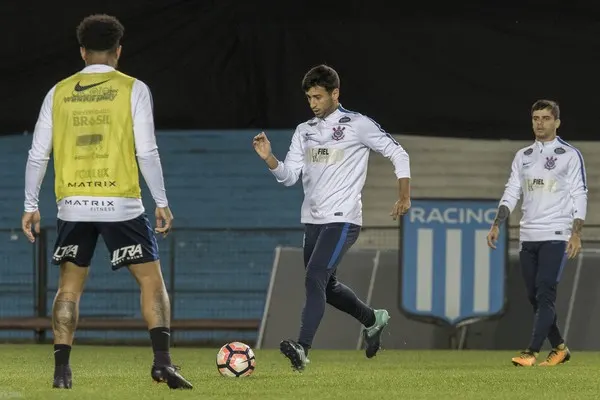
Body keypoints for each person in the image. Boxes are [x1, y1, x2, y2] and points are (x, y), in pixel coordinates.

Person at [21, 14, 192, 389]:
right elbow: (147, 151)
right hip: (120, 202)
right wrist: (161, 200)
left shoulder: (59, 91)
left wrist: (30, 204)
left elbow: (38, 154)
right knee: (151, 281)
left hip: (73, 203)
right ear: (119, 50)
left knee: (69, 288)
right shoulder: (133, 88)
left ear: (82, 51)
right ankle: (162, 362)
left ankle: (61, 371)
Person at [252, 64, 411, 371]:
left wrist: (404, 194)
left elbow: (398, 153)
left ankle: (302, 347)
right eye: (309, 97)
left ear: (335, 93)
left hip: (343, 218)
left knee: (314, 277)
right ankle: (372, 319)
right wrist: (270, 158)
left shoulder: (357, 124)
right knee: (327, 285)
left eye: (318, 96)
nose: (313, 103)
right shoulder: (304, 131)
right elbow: (288, 178)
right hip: (312, 220)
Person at [487, 99, 587, 367]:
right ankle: (560, 347)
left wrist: (575, 233)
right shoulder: (523, 156)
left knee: (545, 294)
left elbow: (580, 194)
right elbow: (512, 191)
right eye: (535, 118)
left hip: (557, 234)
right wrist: (497, 223)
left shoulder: (569, 154)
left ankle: (530, 352)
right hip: (528, 236)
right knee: (535, 298)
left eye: (545, 118)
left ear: (557, 122)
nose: (540, 123)